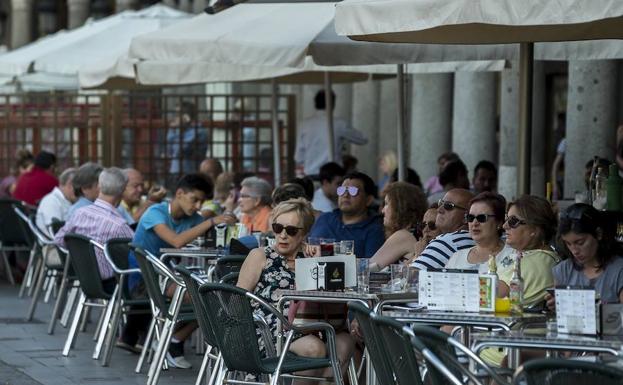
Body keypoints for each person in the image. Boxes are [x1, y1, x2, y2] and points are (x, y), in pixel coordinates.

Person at [237, 198, 355, 380]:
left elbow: (336, 293)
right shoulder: (260, 255)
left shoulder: (312, 256)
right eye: (278, 228)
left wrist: (318, 261)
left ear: (305, 233)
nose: (283, 235)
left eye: (291, 231)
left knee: (345, 344)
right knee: (314, 348)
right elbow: (236, 299)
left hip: (314, 325)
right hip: (270, 330)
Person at [129, 174, 236, 368]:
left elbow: (207, 241)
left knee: (213, 297)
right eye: (194, 199)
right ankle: (173, 343)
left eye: (201, 201)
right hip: (142, 279)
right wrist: (210, 221)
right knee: (205, 297)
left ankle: (173, 340)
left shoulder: (193, 218)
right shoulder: (155, 212)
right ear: (179, 193)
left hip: (167, 275)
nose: (197, 206)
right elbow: (177, 241)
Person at [53, 168, 134, 291]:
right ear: (123, 191)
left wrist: (81, 256)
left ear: (99, 186)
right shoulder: (119, 226)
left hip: (85, 279)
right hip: (114, 285)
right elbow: (139, 254)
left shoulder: (79, 214)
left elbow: (59, 239)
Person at [545, 204, 623, 310]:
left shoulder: (618, 271)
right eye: (568, 244)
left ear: (598, 234)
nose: (574, 251)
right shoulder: (563, 271)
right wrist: (557, 306)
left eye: (580, 242)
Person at [498, 195, 561, 305]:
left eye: (513, 221)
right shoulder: (545, 256)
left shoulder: (534, 261)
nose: (504, 226)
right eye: (506, 219)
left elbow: (490, 295)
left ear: (534, 229)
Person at [309, 171, 384, 258]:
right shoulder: (325, 219)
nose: (345, 195)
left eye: (353, 191)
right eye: (342, 190)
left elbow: (371, 267)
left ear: (368, 200)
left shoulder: (375, 229)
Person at [294, 90, 367, 176]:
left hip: (310, 174)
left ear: (315, 104)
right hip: (333, 176)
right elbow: (362, 139)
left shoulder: (304, 124)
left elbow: (298, 157)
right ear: (332, 104)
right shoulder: (338, 123)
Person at [445, 192, 513, 272]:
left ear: (499, 222)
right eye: (470, 218)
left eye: (482, 218)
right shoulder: (456, 258)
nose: (474, 223)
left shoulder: (513, 256)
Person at [412, 189, 475, 270]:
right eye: (440, 203)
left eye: (448, 206)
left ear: (466, 217)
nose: (439, 210)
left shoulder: (448, 241)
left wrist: (417, 255)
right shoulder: (477, 241)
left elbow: (412, 278)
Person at [369, 182, 428, 270]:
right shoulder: (415, 232)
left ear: (400, 207)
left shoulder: (403, 235)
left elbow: (366, 269)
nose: (382, 210)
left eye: (386, 204)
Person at [166, 102, 207, 177]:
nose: (174, 117)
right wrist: (173, 129)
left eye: (177, 114)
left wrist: (179, 130)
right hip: (175, 171)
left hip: (190, 173)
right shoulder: (175, 129)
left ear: (186, 117)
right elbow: (169, 151)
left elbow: (179, 150)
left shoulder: (199, 131)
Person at [35, 168, 77, 233]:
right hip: (53, 242)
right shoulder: (51, 201)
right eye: (79, 188)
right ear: (69, 185)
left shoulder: (64, 200)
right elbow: (54, 232)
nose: (81, 193)